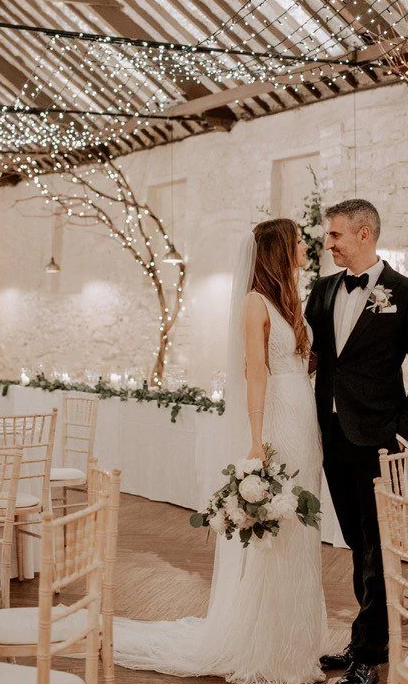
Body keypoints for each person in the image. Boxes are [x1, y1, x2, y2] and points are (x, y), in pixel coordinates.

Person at [113, 218, 327, 684]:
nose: (305, 248)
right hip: (276, 420)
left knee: (302, 529)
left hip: (303, 415)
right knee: (280, 530)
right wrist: (255, 439)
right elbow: (255, 372)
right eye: (298, 242)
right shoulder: (255, 303)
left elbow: (297, 363)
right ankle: (270, 648)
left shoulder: (289, 299)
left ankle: (297, 641)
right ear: (278, 250)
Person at [305, 199, 408, 684]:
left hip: (381, 440)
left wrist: (403, 433)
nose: (329, 244)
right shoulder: (322, 291)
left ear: (365, 235)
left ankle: (369, 652)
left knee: (379, 545)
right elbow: (314, 359)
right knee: (355, 541)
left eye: (336, 235)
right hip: (333, 436)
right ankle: (368, 637)